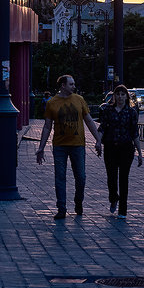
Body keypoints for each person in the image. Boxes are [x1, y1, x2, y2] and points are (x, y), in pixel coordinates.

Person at [35, 74, 102, 219]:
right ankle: (61, 208)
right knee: (60, 177)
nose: (74, 86)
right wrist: (41, 147)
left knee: (81, 177)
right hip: (60, 146)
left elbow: (89, 121)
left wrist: (98, 140)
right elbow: (47, 127)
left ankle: (78, 202)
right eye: (71, 84)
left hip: (78, 145)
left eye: (74, 84)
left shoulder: (79, 100)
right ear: (63, 85)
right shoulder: (52, 103)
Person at [98, 84, 143, 218]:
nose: (120, 97)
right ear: (114, 96)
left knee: (124, 179)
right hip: (110, 147)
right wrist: (98, 141)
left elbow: (135, 133)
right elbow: (102, 128)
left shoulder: (131, 113)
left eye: (123, 94)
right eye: (118, 94)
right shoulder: (108, 110)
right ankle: (113, 198)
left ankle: (123, 210)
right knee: (111, 177)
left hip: (126, 148)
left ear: (126, 97)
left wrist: (140, 153)